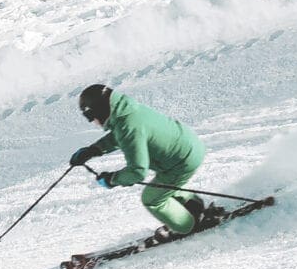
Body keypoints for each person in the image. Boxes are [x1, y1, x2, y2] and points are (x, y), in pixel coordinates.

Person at [69, 83, 207, 237]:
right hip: (189, 146)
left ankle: (188, 225)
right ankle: (193, 206)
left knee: (151, 198)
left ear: (100, 110)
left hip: (181, 162)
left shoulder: (127, 126)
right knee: (162, 186)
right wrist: (94, 149)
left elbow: (138, 171)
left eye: (91, 117)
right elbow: (121, 135)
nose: (93, 122)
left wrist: (112, 180)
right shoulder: (127, 111)